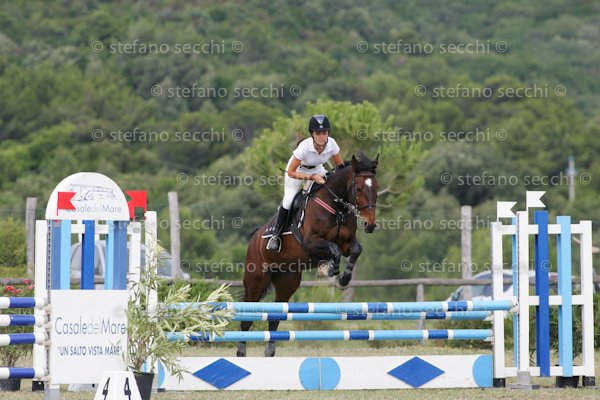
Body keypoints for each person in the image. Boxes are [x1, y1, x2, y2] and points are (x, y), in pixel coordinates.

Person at [266, 115, 343, 252]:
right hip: (297, 171)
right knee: (289, 200)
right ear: (312, 134)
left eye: (324, 133)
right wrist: (312, 177)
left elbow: (340, 167)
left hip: (317, 169)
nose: (322, 137)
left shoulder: (332, 144)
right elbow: (291, 172)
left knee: (330, 192)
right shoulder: (304, 147)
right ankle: (276, 236)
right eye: (318, 133)